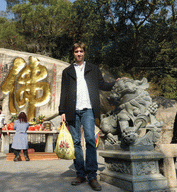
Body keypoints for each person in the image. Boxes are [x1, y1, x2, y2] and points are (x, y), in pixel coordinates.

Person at [59, 42, 117, 191]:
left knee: (90, 140)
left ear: (84, 53)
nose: (79, 53)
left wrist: (115, 84)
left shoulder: (93, 68)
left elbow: (102, 85)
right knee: (76, 142)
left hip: (88, 109)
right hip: (72, 110)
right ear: (73, 53)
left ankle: (92, 176)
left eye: (81, 51)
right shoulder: (67, 71)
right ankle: (80, 174)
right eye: (76, 51)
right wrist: (62, 111)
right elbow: (64, 92)